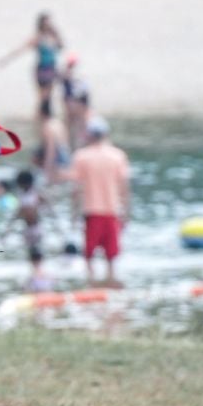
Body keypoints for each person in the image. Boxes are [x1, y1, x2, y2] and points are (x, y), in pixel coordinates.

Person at [62, 116, 129, 283]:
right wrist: (126, 213)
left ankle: (92, 284)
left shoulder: (82, 157)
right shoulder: (117, 156)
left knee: (89, 256)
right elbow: (124, 188)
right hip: (112, 211)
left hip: (92, 212)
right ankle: (110, 282)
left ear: (89, 135)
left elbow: (76, 189)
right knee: (111, 258)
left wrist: (73, 214)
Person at [0, 11, 66, 124]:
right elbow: (22, 49)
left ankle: (45, 118)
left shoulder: (52, 36)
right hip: (43, 68)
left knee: (48, 96)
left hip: (51, 68)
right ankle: (38, 118)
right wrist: (6, 60)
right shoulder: (38, 38)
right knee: (43, 96)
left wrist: (57, 33)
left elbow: (61, 46)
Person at [11, 168, 50, 280]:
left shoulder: (36, 194)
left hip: (36, 228)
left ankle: (39, 273)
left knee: (37, 251)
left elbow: (46, 204)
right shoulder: (22, 195)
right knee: (30, 252)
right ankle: (34, 273)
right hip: (27, 229)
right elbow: (18, 212)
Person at [59, 54, 92, 151]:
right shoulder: (77, 74)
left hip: (73, 101)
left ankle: (71, 145)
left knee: (73, 125)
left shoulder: (69, 74)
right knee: (79, 125)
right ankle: (76, 145)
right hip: (76, 102)